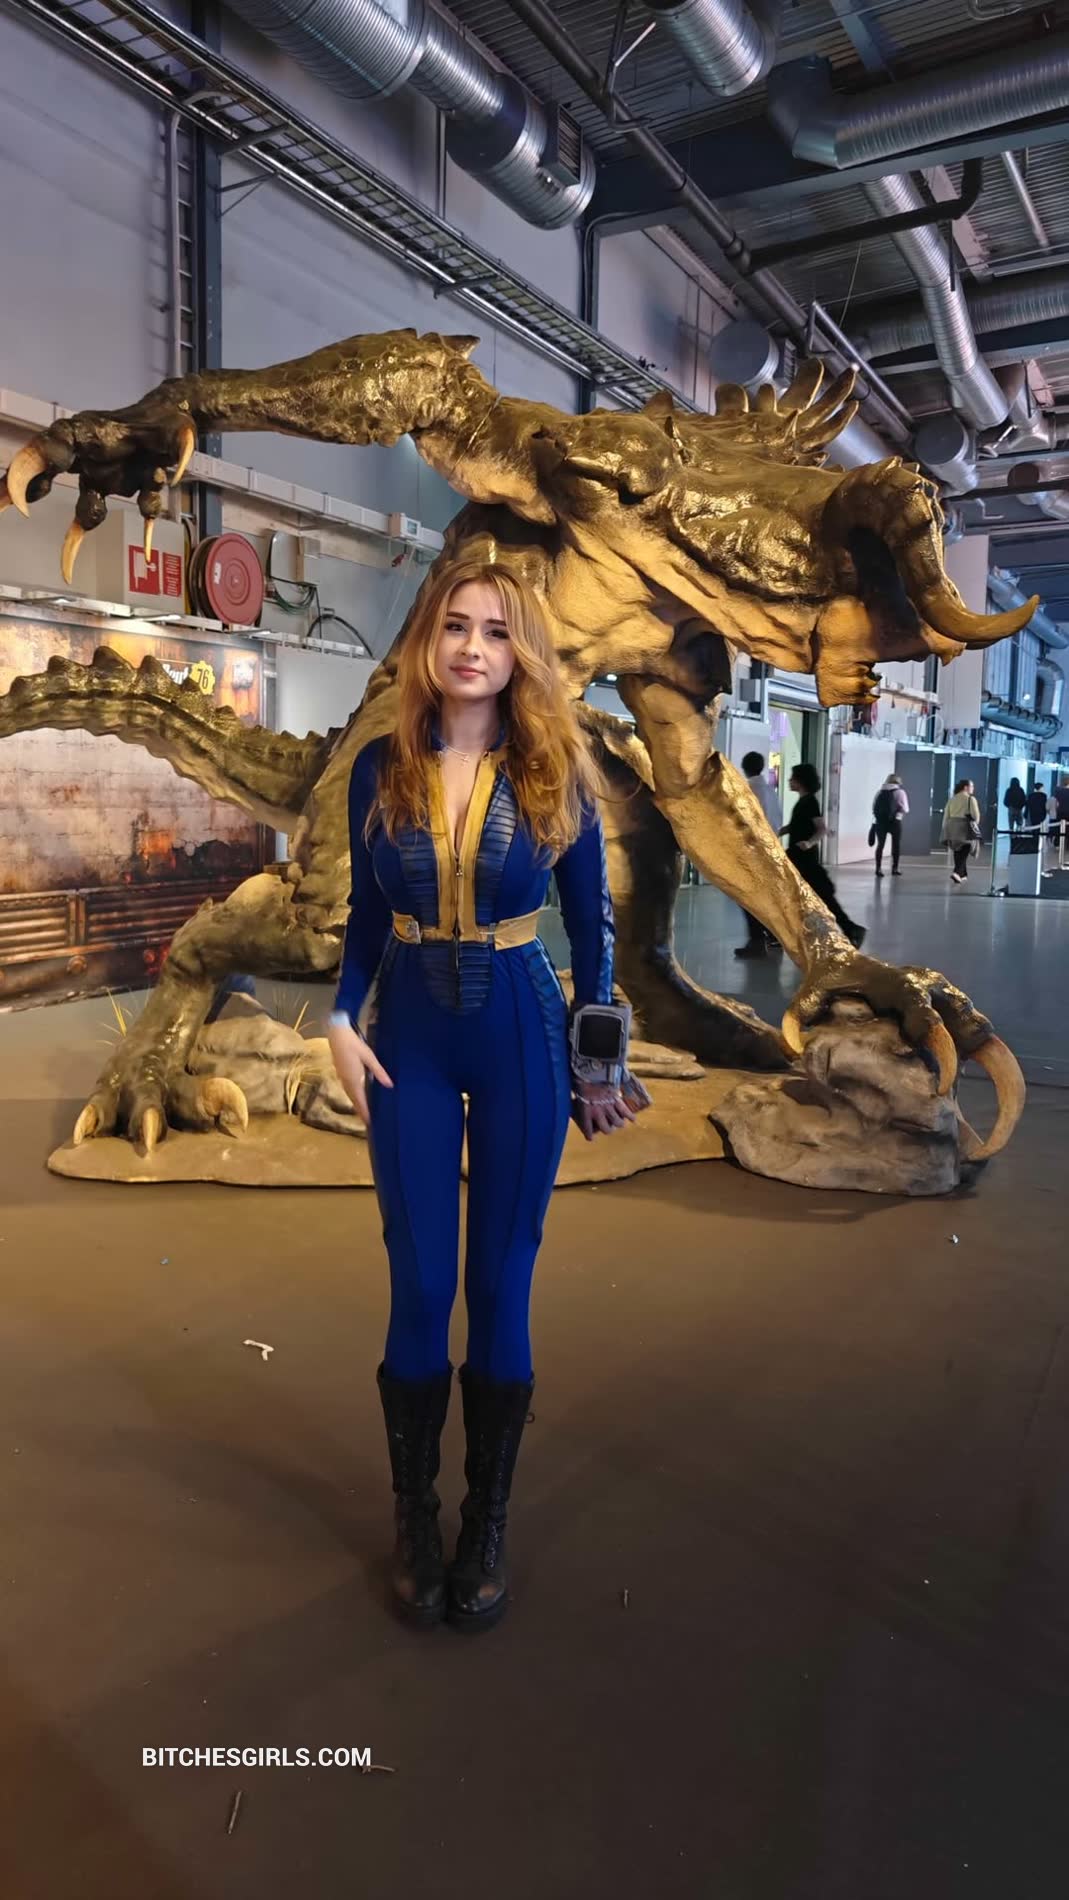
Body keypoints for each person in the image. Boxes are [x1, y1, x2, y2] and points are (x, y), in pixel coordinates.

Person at [326, 559, 650, 1635]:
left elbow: (593, 931)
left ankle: (487, 1522)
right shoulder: (379, 768)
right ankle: (416, 1520)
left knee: (501, 1287)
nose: (473, 647)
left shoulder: (558, 769)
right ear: (428, 639)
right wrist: (339, 1015)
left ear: (523, 653)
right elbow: (365, 917)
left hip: (520, 1030)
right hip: (408, 1040)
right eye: (456, 626)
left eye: (497, 631)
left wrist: (598, 1058)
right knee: (420, 1284)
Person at [782, 762, 865, 947]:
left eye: (792, 778)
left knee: (822, 896)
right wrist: (780, 831)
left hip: (804, 858)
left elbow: (822, 829)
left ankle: (849, 928)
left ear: (801, 781)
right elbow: (797, 825)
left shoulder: (810, 802)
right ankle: (846, 928)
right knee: (815, 896)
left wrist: (809, 843)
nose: (789, 781)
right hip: (797, 856)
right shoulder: (803, 801)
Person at [734, 750, 783, 958]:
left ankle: (757, 941)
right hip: (771, 848)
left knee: (748, 898)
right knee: (766, 897)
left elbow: (745, 821)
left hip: (753, 850)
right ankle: (773, 935)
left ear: (744, 768)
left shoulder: (749, 790)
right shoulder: (770, 791)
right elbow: (778, 819)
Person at [942, 777, 981, 883]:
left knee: (957, 849)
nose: (973, 788)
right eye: (972, 786)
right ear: (965, 787)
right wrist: (975, 825)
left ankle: (963, 874)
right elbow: (976, 816)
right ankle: (957, 872)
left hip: (952, 826)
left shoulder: (952, 799)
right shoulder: (970, 799)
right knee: (966, 847)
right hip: (964, 826)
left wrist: (945, 828)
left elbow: (946, 815)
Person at [871, 773, 909, 877]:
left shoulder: (880, 792)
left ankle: (878, 869)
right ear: (898, 782)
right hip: (895, 822)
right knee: (896, 845)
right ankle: (895, 868)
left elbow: (874, 807)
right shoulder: (900, 792)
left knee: (880, 845)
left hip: (881, 822)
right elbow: (906, 809)